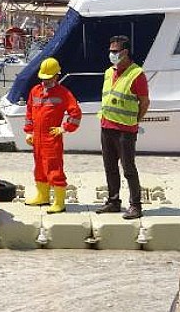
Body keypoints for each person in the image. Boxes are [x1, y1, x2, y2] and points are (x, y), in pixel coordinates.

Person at [95, 35, 150, 219]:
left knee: (128, 168)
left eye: (115, 51)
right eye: (110, 51)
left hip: (125, 130)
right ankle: (113, 201)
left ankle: (136, 205)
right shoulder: (109, 72)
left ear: (125, 52)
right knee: (110, 167)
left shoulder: (137, 74)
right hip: (106, 127)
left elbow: (144, 103)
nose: (111, 54)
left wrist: (135, 121)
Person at [23, 57, 82, 214]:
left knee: (54, 170)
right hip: (37, 139)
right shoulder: (35, 91)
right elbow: (29, 112)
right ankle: (42, 196)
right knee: (40, 168)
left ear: (57, 76)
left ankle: (59, 202)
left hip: (51, 138)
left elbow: (75, 112)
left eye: (49, 78)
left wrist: (64, 128)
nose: (45, 81)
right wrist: (29, 132)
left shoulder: (63, 93)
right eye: (43, 78)